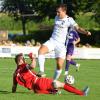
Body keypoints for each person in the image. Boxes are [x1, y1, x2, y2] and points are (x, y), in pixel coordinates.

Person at [37, 4, 91, 81]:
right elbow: (54, 26)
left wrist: (85, 32)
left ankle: (54, 82)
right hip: (52, 41)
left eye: (59, 12)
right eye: (56, 12)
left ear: (64, 11)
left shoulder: (69, 20)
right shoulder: (56, 17)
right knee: (41, 51)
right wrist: (45, 27)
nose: (57, 14)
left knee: (59, 66)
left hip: (61, 45)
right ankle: (41, 71)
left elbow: (78, 28)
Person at [12, 53, 89, 96]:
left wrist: (13, 94)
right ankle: (82, 93)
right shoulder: (23, 66)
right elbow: (32, 66)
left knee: (54, 89)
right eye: (24, 59)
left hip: (36, 89)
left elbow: (14, 87)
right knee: (61, 85)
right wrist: (33, 58)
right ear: (20, 60)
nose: (25, 60)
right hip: (39, 82)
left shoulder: (15, 73)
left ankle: (54, 91)